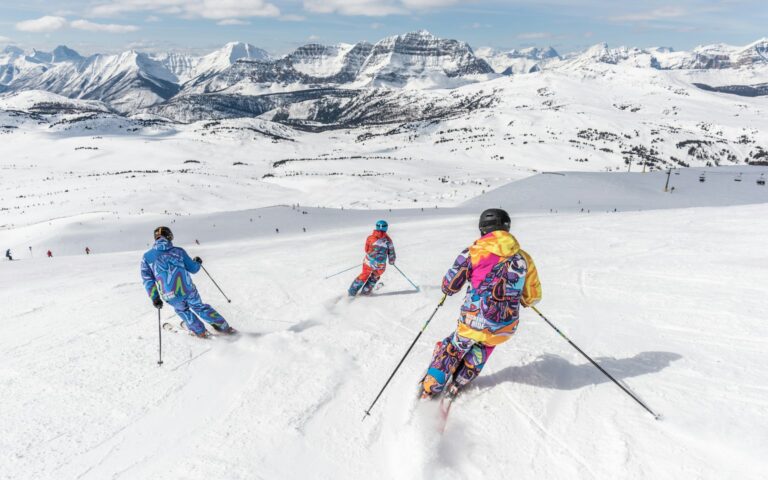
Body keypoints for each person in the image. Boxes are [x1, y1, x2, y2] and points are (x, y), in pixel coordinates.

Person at [420, 209, 542, 399]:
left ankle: (432, 385)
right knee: (484, 347)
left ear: (483, 229)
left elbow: (450, 285)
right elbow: (532, 296)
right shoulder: (524, 258)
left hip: (473, 320)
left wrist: (447, 291)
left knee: (454, 347)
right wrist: (523, 298)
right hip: (505, 325)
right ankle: (459, 381)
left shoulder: (473, 252)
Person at [140, 226, 235, 338]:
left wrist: (155, 297)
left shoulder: (147, 257)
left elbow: (148, 280)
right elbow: (193, 269)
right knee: (199, 307)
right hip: (188, 289)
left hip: (169, 294)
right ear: (169, 236)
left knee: (183, 310)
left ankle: (200, 331)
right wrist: (197, 262)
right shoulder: (179, 251)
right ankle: (223, 327)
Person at [348, 220, 396, 296]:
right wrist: (391, 261)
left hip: (368, 261)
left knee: (364, 274)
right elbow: (391, 253)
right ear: (386, 228)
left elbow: (366, 249)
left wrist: (372, 255)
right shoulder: (388, 241)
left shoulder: (370, 238)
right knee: (375, 276)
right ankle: (365, 292)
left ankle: (352, 291)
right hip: (380, 265)